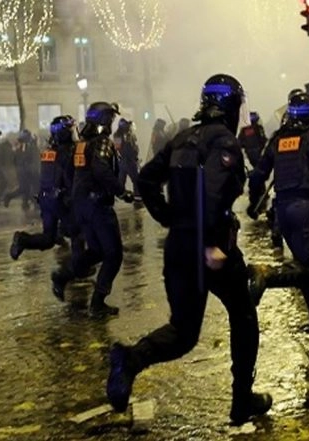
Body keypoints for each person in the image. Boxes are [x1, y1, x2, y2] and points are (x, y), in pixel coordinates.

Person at [106, 74, 272, 425]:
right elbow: (211, 195)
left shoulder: (182, 138)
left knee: (183, 333)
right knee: (243, 314)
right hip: (210, 247)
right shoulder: (224, 141)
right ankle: (242, 399)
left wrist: (167, 216)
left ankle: (131, 359)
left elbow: (148, 179)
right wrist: (210, 243)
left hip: (180, 243)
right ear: (231, 106)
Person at [247, 92, 309, 332]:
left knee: (304, 266)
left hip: (282, 209)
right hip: (305, 207)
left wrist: (254, 204)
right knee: (305, 268)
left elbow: (258, 175)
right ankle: (268, 275)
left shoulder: (277, 139)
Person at [51, 102, 134, 316]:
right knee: (113, 255)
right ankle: (98, 303)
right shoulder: (101, 143)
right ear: (105, 120)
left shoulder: (81, 143)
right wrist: (121, 191)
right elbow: (102, 171)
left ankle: (63, 276)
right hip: (98, 206)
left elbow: (70, 172)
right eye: (110, 119)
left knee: (97, 251)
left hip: (83, 206)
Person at [9, 116, 83, 264]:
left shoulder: (48, 152)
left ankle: (23, 240)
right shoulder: (69, 152)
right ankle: (79, 265)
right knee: (78, 232)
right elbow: (69, 177)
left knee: (48, 239)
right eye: (71, 130)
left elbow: (42, 175)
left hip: (46, 198)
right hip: (61, 199)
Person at [3, 130, 38, 210]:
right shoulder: (24, 147)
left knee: (27, 188)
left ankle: (25, 204)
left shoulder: (23, 147)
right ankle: (9, 196)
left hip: (25, 170)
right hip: (24, 171)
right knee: (25, 188)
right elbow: (17, 159)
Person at [114, 118, 141, 202]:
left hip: (122, 160)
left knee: (121, 179)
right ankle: (137, 196)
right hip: (128, 160)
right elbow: (128, 147)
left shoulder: (118, 135)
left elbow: (117, 148)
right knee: (135, 179)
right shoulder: (126, 135)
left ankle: (119, 194)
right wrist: (134, 156)